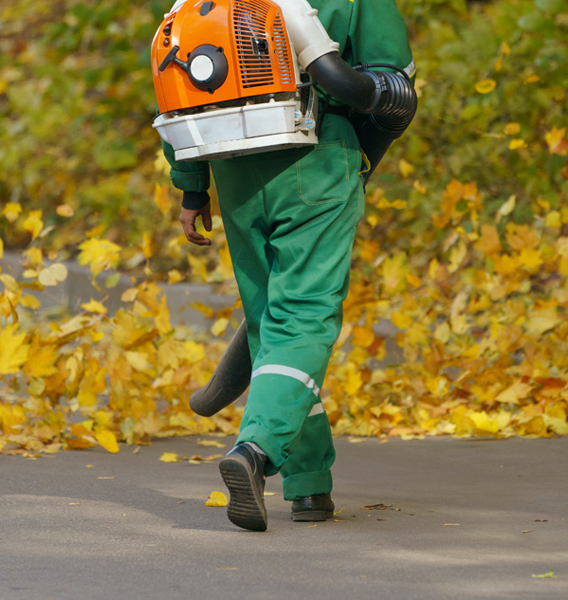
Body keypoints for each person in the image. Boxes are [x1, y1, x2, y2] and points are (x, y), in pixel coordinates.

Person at [162, 0, 415, 531]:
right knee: (301, 316)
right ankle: (256, 451)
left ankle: (308, 486)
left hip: (232, 167)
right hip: (317, 157)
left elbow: (180, 73)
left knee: (267, 327)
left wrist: (190, 188)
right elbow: (395, 87)